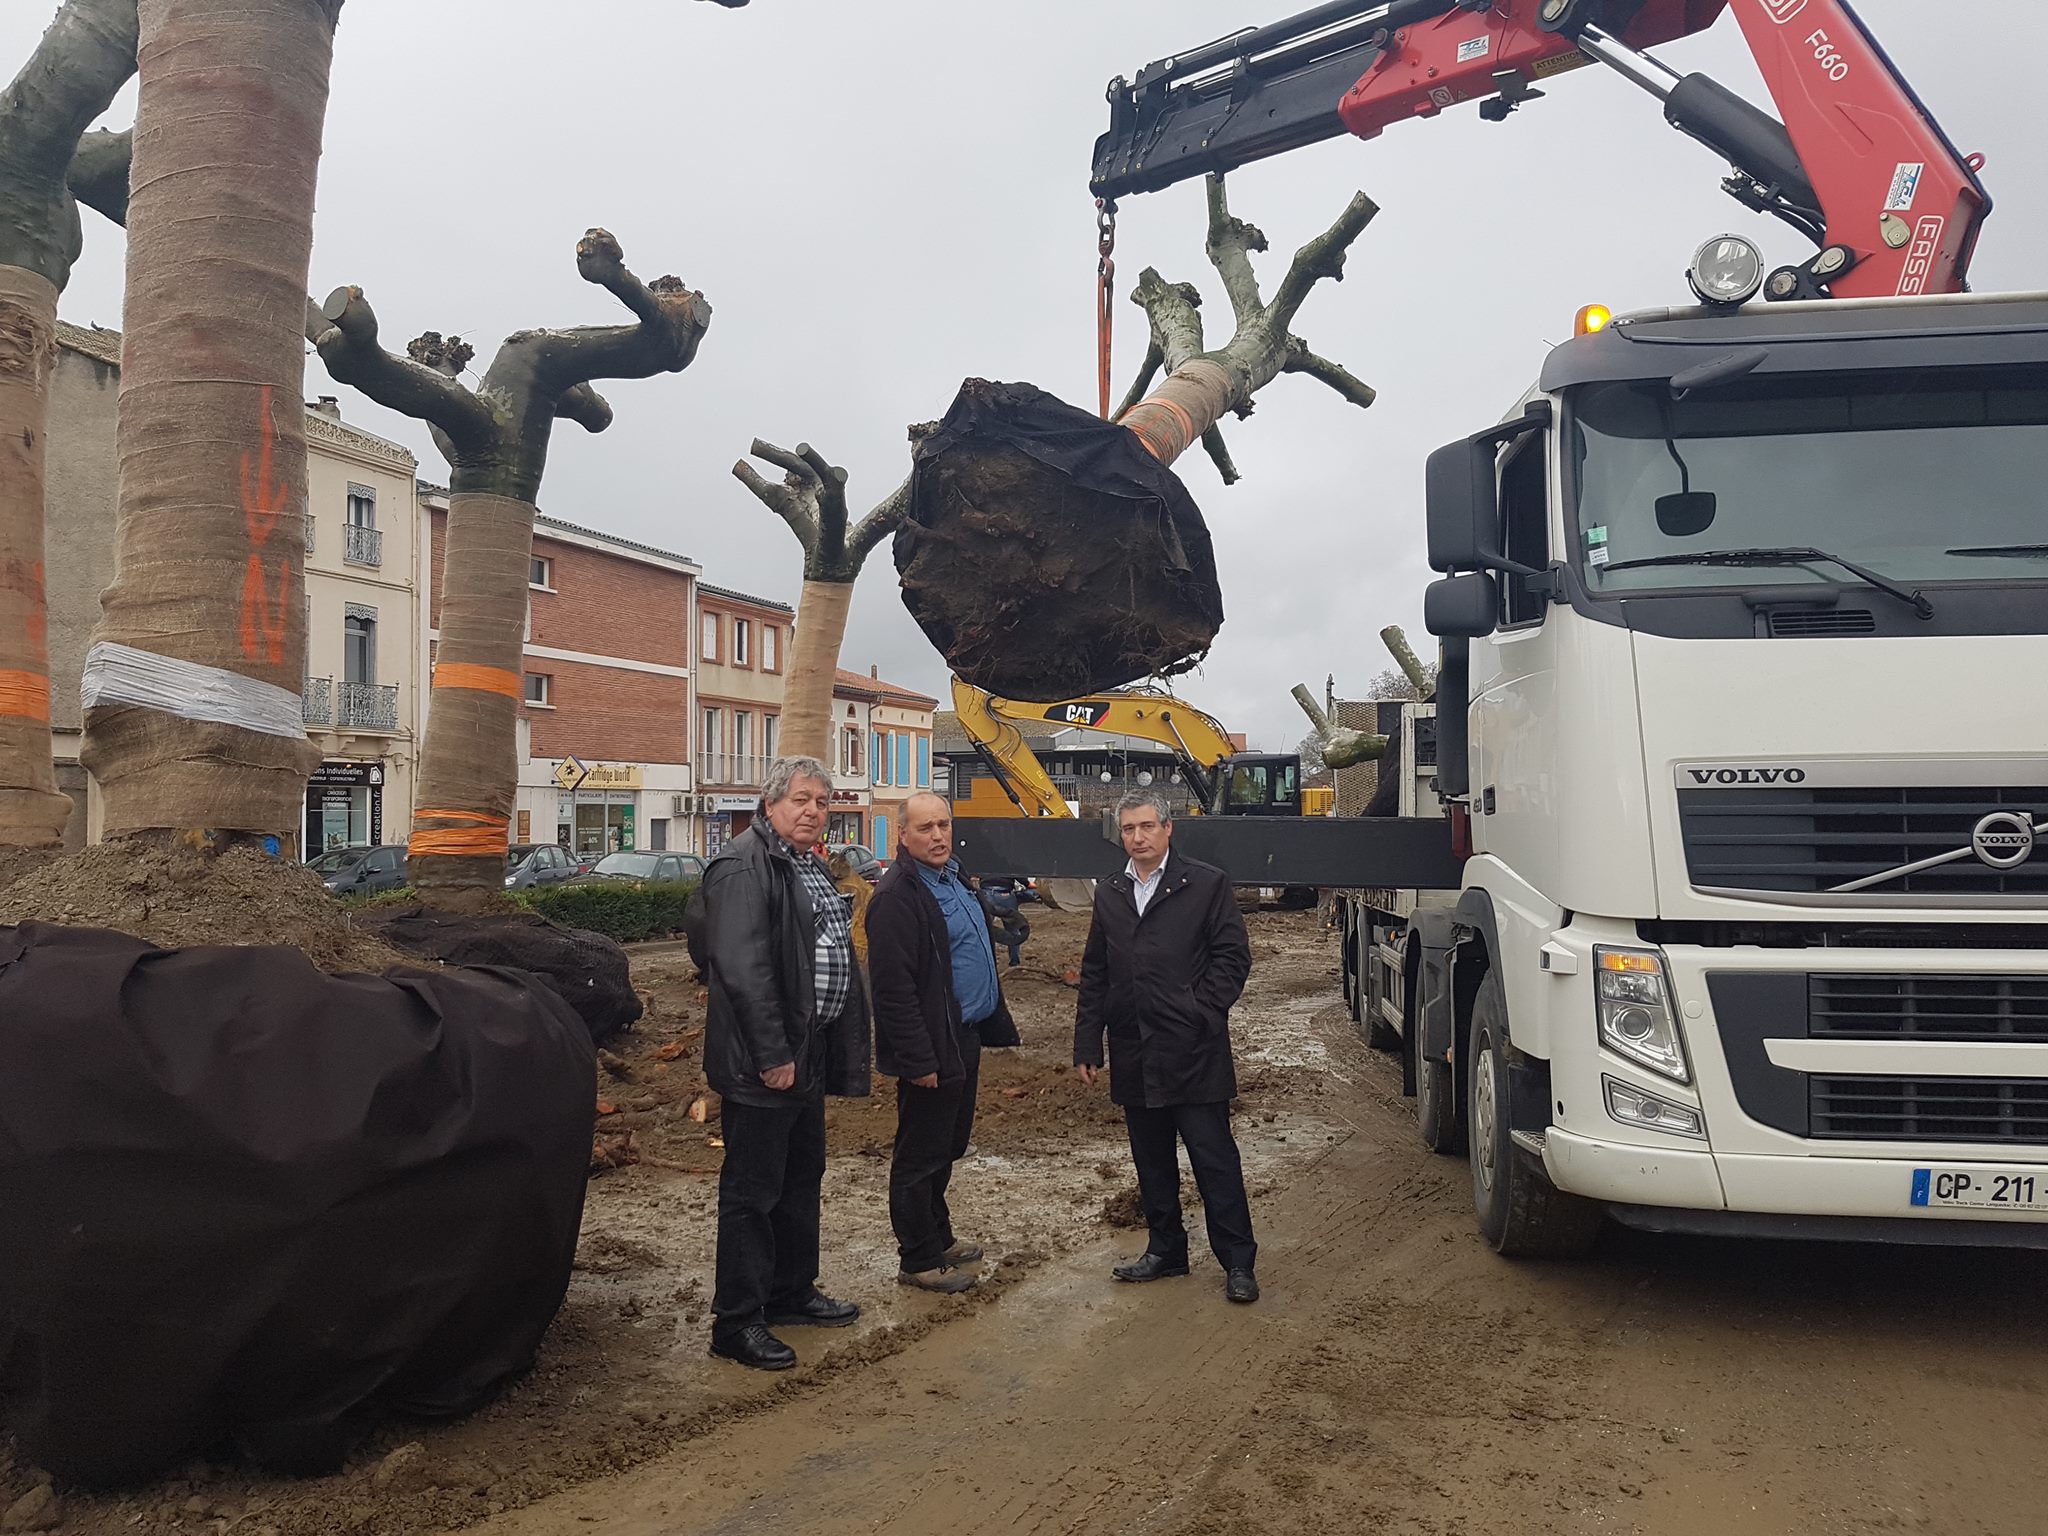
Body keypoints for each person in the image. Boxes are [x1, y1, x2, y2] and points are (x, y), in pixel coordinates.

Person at [701, 756, 872, 1370]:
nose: (812, 811)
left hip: (809, 1052)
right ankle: (738, 1322)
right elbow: (741, 969)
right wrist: (773, 1054)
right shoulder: (745, 865)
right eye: (801, 800)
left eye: (822, 802)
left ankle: (791, 1291)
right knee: (752, 1193)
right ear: (770, 804)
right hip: (764, 1064)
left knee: (801, 1178)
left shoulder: (804, 862)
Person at [1074, 788, 1259, 1303]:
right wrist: (1089, 1042)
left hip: (1194, 1051)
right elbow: (1095, 972)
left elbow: (1232, 958)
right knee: (1151, 1159)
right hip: (1135, 1050)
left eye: (1146, 827)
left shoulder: (1205, 884)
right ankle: (1166, 1249)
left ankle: (1238, 1262)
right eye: (1128, 829)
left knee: (1214, 1161)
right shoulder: (1110, 891)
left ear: (1168, 828)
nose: (1137, 837)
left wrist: (1201, 1010)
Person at [865, 791, 1020, 1293]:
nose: (937, 836)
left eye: (943, 825)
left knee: (948, 1144)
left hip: (965, 1035)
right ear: (902, 836)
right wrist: (916, 1057)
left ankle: (939, 1235)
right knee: (920, 1152)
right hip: (931, 1044)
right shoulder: (897, 898)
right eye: (925, 828)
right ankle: (918, 1258)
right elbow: (892, 989)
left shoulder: (954, 877)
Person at [974, 876, 1031, 967]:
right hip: (1006, 894)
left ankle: (987, 962)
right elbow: (1018, 874)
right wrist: (1028, 883)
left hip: (987, 894)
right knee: (1013, 930)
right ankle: (1014, 962)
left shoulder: (982, 861)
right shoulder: (1009, 861)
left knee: (985, 929)